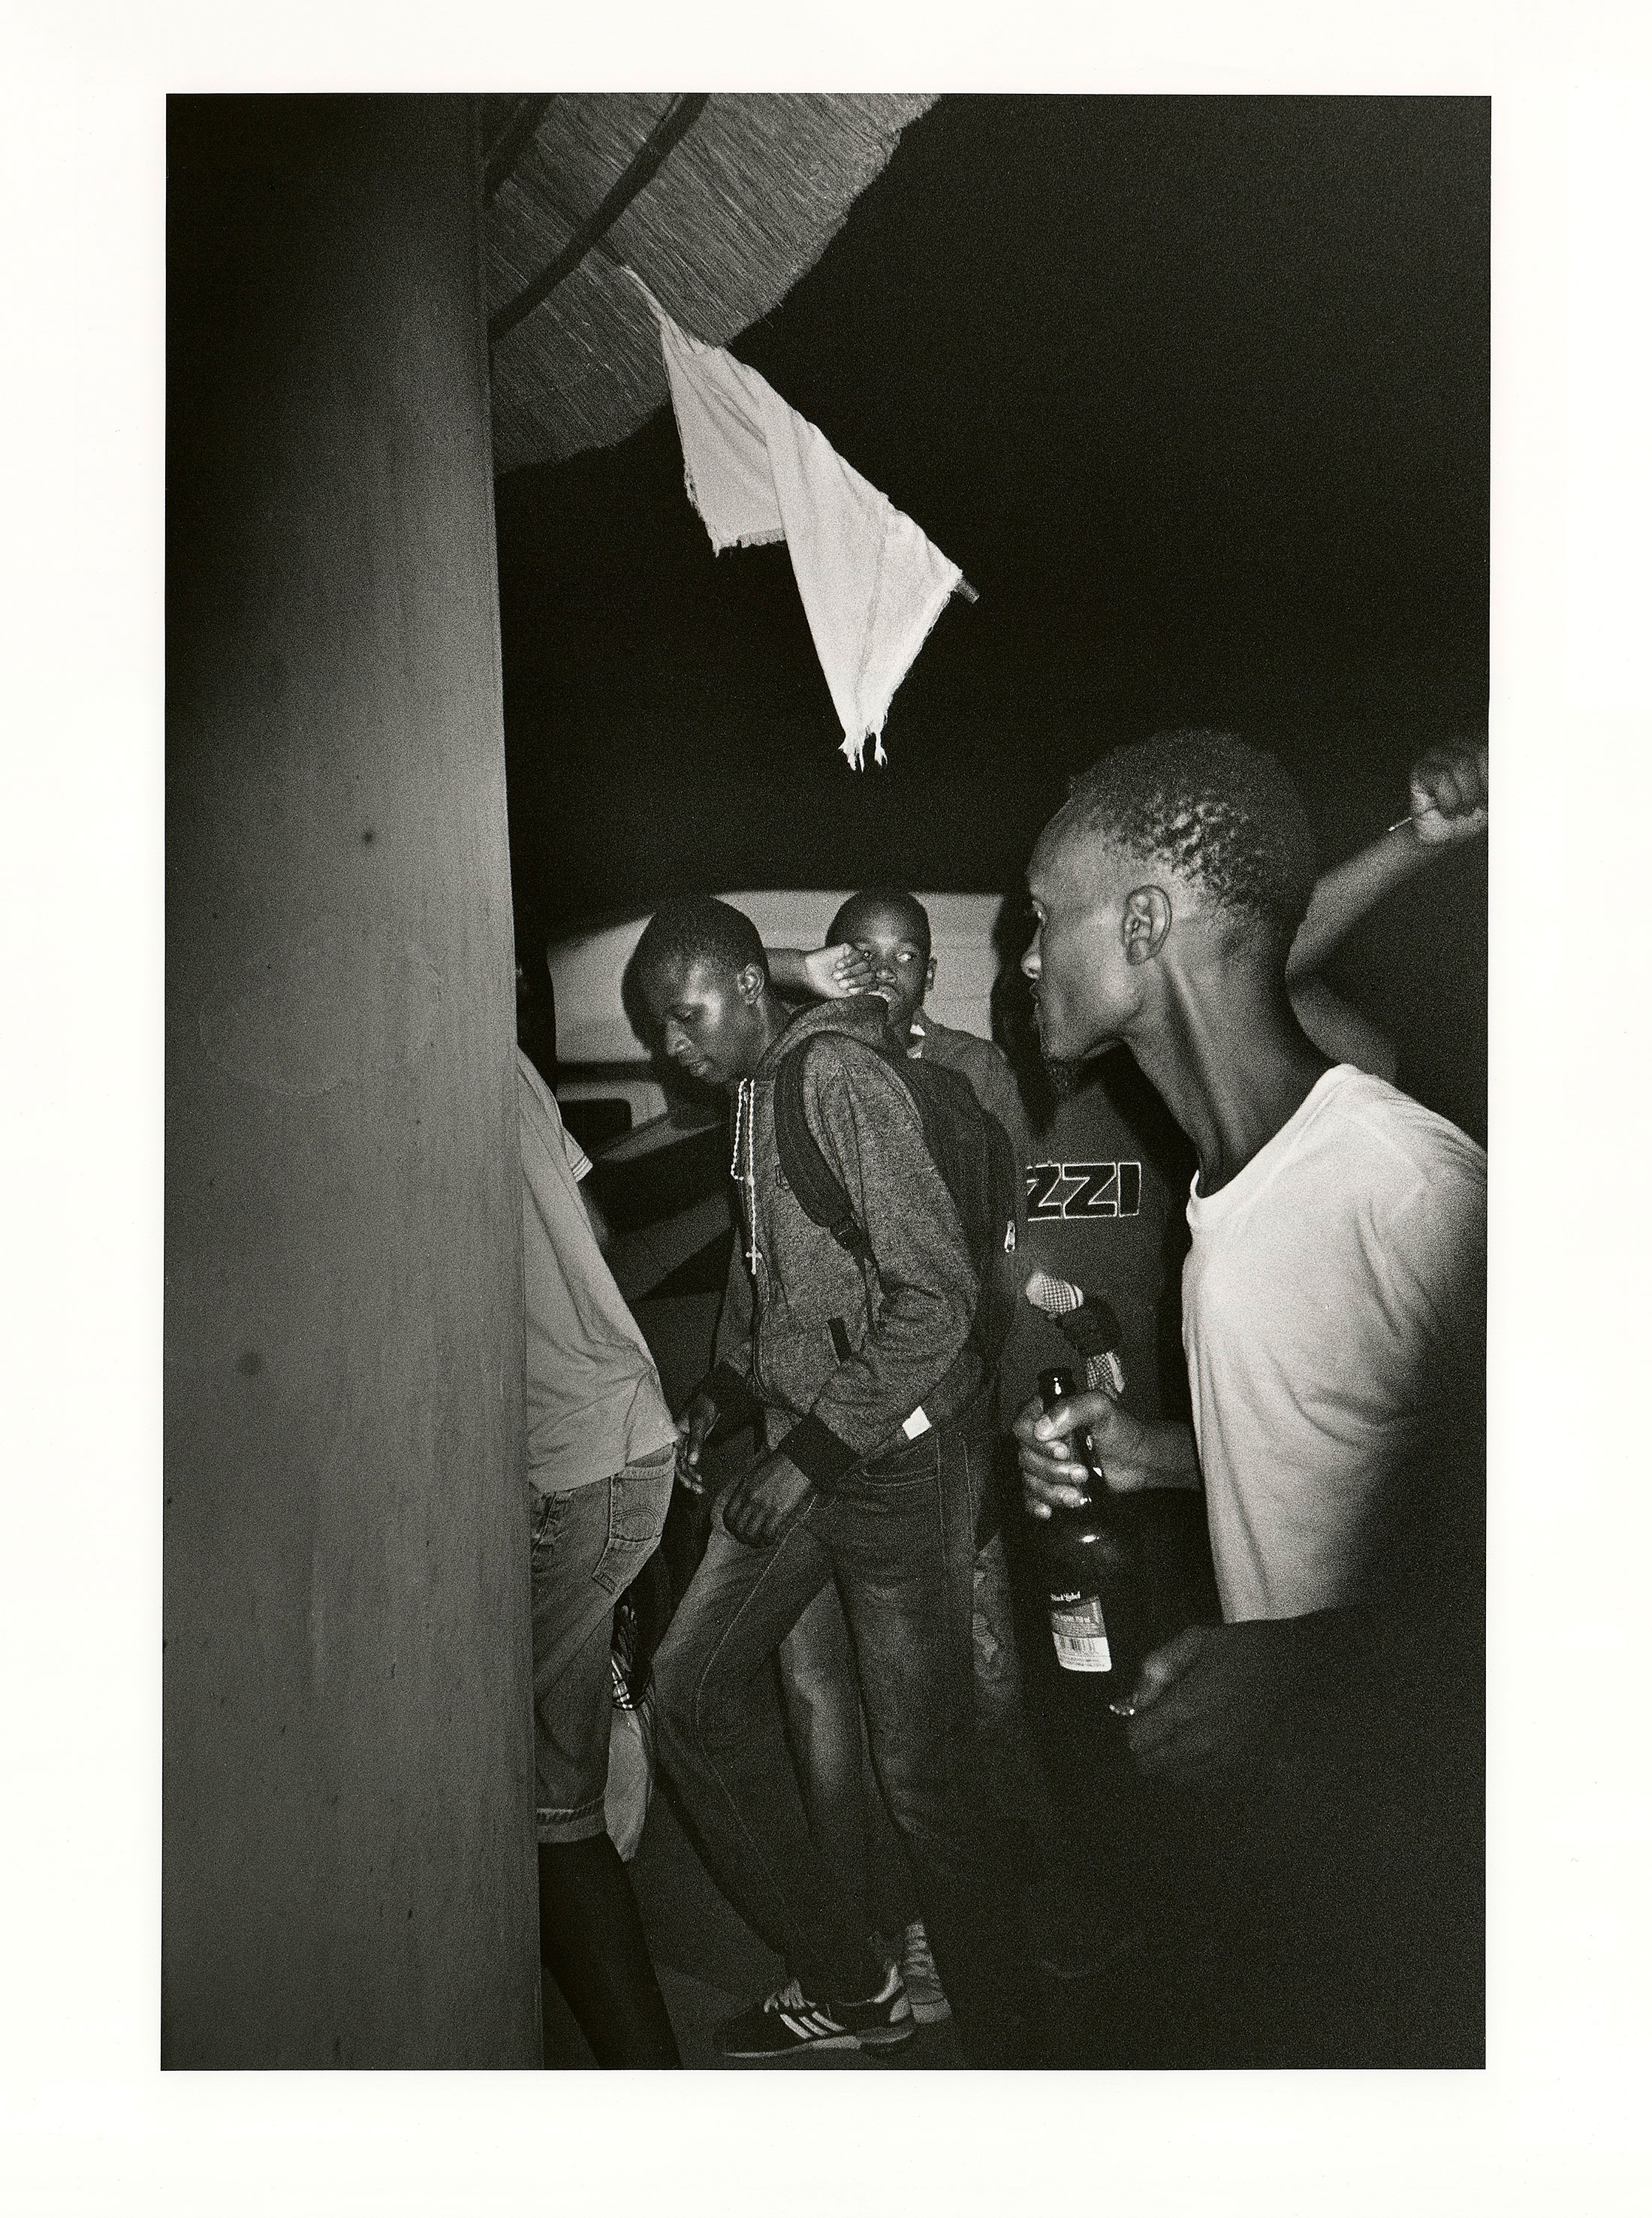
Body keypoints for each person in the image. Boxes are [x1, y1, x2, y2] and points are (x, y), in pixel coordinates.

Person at [1013, 729, 1487, 2061]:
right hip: (1312, 1826)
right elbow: (1341, 1443)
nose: (1029, 956)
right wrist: (1156, 1452)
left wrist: (1304, 1673)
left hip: (1426, 1868)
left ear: (1148, 919)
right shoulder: (1233, 1171)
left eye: (1048, 919)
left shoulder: (1404, 1189)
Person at [635, 897, 1028, 2066]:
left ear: (750, 988)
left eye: (683, 1013)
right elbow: (790, 1297)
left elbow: (938, 1298)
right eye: (657, 1027)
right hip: (821, 1444)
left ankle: (1026, 2056)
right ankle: (852, 1979)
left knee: (922, 1778)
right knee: (688, 1694)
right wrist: (730, 1390)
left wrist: (804, 1456)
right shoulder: (756, 1094)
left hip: (904, 1457)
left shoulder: (836, 1082)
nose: (670, 1046)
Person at [517, 1042, 682, 2068]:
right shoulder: (515, 1061)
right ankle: (618, 1697)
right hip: (622, 1436)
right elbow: (601, 1223)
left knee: (547, 1816)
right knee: (552, 1804)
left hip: (573, 1465)